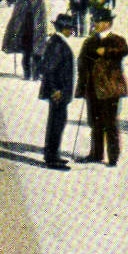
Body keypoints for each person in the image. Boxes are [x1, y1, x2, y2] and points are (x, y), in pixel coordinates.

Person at [75, 8, 128, 167]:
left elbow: (123, 50)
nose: (95, 24)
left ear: (108, 23)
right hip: (92, 88)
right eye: (95, 21)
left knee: (110, 124)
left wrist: (106, 51)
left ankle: (113, 157)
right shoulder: (89, 41)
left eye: (99, 21)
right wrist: (82, 84)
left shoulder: (117, 40)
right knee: (95, 122)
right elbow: (81, 62)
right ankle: (96, 153)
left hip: (110, 89)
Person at [38, 15, 77, 169]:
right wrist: (55, 89)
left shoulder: (57, 42)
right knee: (56, 123)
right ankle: (52, 157)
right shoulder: (57, 44)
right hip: (58, 92)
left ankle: (53, 154)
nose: (72, 31)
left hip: (60, 92)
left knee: (58, 122)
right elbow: (48, 69)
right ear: (65, 29)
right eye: (71, 28)